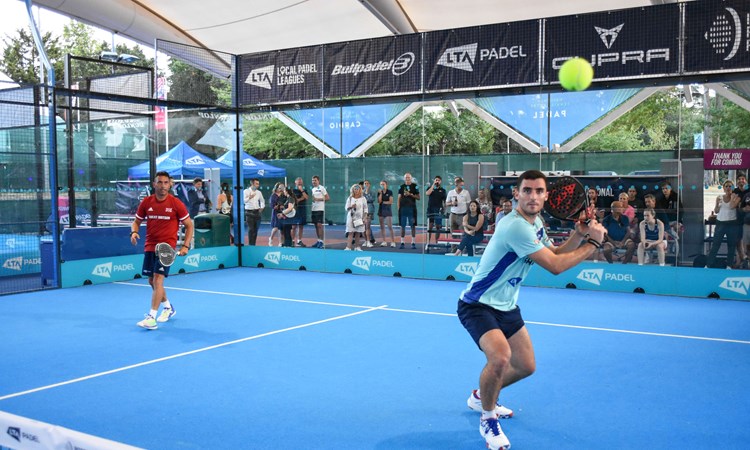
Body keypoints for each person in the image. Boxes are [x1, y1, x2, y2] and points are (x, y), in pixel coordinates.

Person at [457, 170, 607, 450]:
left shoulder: (535, 222)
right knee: (501, 358)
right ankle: (487, 418)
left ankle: (481, 397)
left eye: (539, 191)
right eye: (527, 190)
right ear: (517, 194)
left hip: (507, 306)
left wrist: (578, 234)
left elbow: (556, 252)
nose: (533, 196)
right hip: (478, 305)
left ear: (547, 196)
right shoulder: (515, 226)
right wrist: (594, 243)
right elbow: (555, 267)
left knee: (526, 366)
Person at [130, 171, 194, 330]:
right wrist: (134, 232)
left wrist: (185, 245)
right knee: (151, 281)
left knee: (158, 279)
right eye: (160, 182)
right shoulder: (146, 202)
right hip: (150, 246)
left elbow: (189, 225)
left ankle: (151, 317)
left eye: (166, 182)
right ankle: (168, 307)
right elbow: (136, 222)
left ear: (170, 184)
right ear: (154, 184)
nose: (163, 185)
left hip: (167, 248)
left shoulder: (175, 203)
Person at [706, 180, 740, 269]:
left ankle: (729, 265)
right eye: (726, 186)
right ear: (724, 188)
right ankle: (708, 264)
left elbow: (733, 206)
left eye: (730, 186)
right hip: (720, 223)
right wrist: (717, 203)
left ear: (733, 188)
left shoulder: (736, 197)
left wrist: (732, 197)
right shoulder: (720, 197)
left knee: (731, 245)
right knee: (716, 244)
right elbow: (716, 211)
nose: (728, 188)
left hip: (732, 223)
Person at [397, 172, 420, 249]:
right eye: (406, 177)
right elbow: (399, 198)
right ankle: (402, 242)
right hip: (403, 209)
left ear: (411, 178)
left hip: (412, 209)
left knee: (412, 225)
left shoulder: (415, 186)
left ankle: (413, 242)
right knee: (402, 225)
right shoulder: (401, 187)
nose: (407, 179)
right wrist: (398, 207)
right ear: (404, 178)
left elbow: (418, 197)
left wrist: (410, 194)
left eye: (409, 177)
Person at [345, 184, 368, 251]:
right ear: (353, 190)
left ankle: (357, 247)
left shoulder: (363, 198)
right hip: (351, 217)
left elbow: (366, 208)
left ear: (360, 190)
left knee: (358, 232)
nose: (356, 190)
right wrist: (351, 206)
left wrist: (365, 217)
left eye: (357, 189)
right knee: (350, 232)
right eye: (355, 189)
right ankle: (348, 247)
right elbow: (346, 208)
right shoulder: (350, 198)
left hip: (359, 217)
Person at [425, 176, 447, 247]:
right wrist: (433, 185)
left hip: (438, 209)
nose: (437, 181)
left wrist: (444, 209)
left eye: (439, 180)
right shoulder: (430, 188)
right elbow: (427, 193)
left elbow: (445, 202)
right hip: (430, 209)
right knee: (430, 226)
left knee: (438, 226)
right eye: (436, 180)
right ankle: (428, 243)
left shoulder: (443, 190)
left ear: (441, 181)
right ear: (434, 181)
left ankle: (436, 243)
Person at [244, 178, 264, 246]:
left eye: (258, 184)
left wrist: (261, 207)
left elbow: (262, 201)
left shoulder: (259, 192)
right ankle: (250, 244)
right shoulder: (246, 191)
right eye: (256, 184)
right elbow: (243, 201)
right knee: (251, 229)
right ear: (252, 184)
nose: (258, 185)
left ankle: (253, 244)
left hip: (257, 212)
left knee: (255, 230)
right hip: (249, 212)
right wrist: (249, 197)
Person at [310, 175, 329, 249]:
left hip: (320, 209)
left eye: (315, 180)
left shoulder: (322, 188)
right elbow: (313, 199)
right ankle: (318, 240)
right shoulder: (313, 189)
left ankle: (322, 242)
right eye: (312, 180)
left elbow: (327, 198)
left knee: (319, 225)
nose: (313, 182)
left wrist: (318, 199)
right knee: (315, 226)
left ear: (318, 181)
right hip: (314, 209)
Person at [377, 180, 396, 247]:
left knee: (390, 226)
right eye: (381, 184)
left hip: (388, 210)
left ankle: (393, 242)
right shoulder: (379, 192)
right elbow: (379, 201)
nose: (382, 185)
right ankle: (384, 241)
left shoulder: (390, 192)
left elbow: (390, 201)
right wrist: (381, 194)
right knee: (382, 227)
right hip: (381, 210)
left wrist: (384, 202)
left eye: (383, 184)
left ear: (386, 185)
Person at [292, 177, 309, 247]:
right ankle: (292, 240)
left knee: (301, 225)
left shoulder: (304, 190)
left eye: (300, 182)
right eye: (298, 182)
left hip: (302, 209)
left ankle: (299, 240)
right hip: (295, 210)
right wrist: (300, 198)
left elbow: (306, 197)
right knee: (293, 226)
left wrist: (302, 191)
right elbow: (293, 199)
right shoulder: (293, 191)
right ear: (295, 183)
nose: (299, 183)